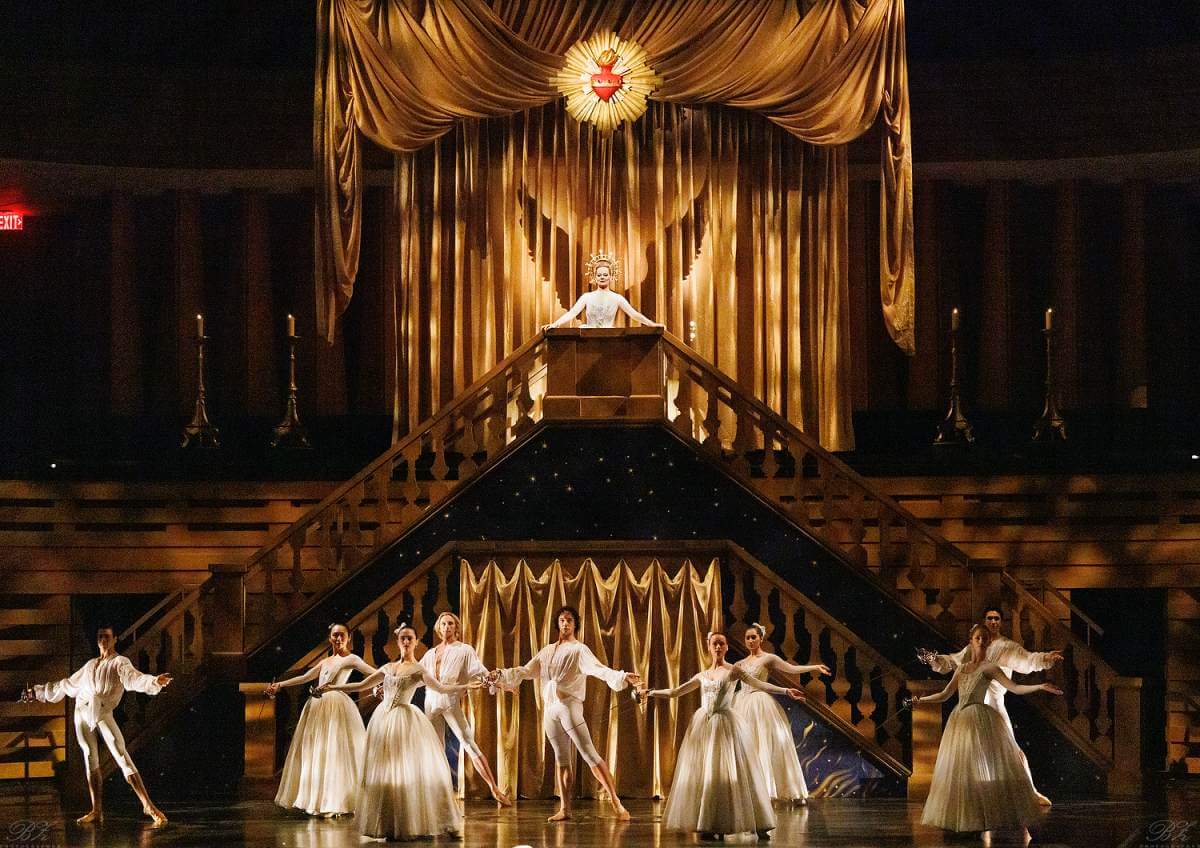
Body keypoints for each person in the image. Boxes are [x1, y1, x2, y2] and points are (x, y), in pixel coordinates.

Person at [317, 623, 478, 841]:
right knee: (385, 772)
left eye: (410, 638)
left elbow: (441, 688)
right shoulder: (388, 667)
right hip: (383, 721)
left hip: (405, 720)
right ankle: (390, 823)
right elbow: (361, 685)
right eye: (403, 638)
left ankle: (428, 822)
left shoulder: (418, 670)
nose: (406, 642)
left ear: (416, 642)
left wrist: (465, 687)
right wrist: (332, 687)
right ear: (398, 641)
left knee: (408, 771)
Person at [641, 630, 805, 841]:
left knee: (736, 773)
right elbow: (675, 692)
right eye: (714, 644)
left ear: (726, 647)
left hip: (725, 725)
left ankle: (758, 822)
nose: (718, 647)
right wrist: (650, 693)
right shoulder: (702, 675)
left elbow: (758, 684)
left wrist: (785, 691)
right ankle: (710, 823)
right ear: (709, 647)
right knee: (709, 774)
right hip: (704, 725)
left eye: (721, 643)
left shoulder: (733, 671)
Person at [487, 605, 641, 822]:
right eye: (562, 620)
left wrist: (622, 676)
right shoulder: (547, 651)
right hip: (550, 709)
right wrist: (502, 675)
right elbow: (526, 670)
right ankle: (565, 809)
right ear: (557, 624)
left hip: (569, 706)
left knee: (589, 754)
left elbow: (598, 669)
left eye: (569, 620)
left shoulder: (579, 650)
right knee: (562, 759)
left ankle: (616, 802)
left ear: (575, 624)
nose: (565, 623)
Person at [917, 624, 1062, 838]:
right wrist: (920, 700)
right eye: (978, 638)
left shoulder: (990, 667)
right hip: (960, 720)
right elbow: (945, 694)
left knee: (999, 763)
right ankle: (970, 817)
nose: (982, 642)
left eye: (985, 638)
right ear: (971, 640)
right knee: (964, 768)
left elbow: (1015, 687)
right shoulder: (962, 667)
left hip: (981, 717)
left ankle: (1011, 811)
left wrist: (1039, 686)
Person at [22, 625, 171, 825]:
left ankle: (148, 806)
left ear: (115, 639)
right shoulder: (90, 665)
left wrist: (154, 681)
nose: (103, 640)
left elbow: (134, 678)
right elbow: (66, 684)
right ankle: (96, 810)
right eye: (100, 636)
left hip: (101, 712)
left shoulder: (120, 662)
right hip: (82, 711)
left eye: (107, 636)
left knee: (120, 753)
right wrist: (37, 692)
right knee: (90, 756)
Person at [265, 623, 373, 817]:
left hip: (336, 705)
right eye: (335, 635)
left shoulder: (351, 658)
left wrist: (381, 685)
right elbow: (305, 677)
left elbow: (374, 674)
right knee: (318, 752)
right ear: (330, 638)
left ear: (348, 637)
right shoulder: (326, 661)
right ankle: (318, 799)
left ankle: (335, 800)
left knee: (334, 752)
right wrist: (280, 684)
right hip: (317, 706)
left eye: (342, 635)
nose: (338, 639)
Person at [420, 611, 511, 805]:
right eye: (443, 624)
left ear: (456, 627)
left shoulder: (464, 650)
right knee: (436, 748)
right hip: (430, 702)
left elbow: (479, 672)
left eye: (450, 624)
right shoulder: (430, 654)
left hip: (450, 701)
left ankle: (494, 789)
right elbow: (417, 676)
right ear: (438, 628)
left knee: (469, 743)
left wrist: (498, 683)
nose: (447, 627)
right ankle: (438, 794)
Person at [734, 622, 831, 804]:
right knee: (746, 747)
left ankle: (769, 790)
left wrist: (813, 667)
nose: (750, 640)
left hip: (760, 704)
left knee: (765, 744)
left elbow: (790, 668)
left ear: (761, 638)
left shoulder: (768, 658)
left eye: (753, 637)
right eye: (747, 638)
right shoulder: (740, 663)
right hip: (741, 704)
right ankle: (748, 791)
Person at [542, 252, 663, 330]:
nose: (602, 277)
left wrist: (652, 324)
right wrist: (555, 324)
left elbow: (633, 314)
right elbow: (572, 313)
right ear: (594, 277)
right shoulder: (587, 297)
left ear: (611, 277)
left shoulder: (617, 298)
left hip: (609, 337)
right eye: (599, 275)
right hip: (588, 337)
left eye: (605, 275)